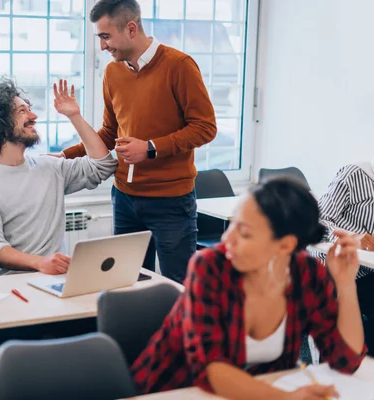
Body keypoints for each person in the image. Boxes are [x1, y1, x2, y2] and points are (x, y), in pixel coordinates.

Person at [132, 178, 367, 399]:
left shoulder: (307, 274)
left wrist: (345, 284)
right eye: (233, 223)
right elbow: (211, 370)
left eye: (244, 233)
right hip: (172, 390)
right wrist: (287, 397)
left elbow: (345, 360)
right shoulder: (210, 268)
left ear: (285, 245)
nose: (226, 238)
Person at [59, 0, 217, 283]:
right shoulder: (113, 72)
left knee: (178, 288)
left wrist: (151, 148)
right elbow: (109, 132)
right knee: (125, 283)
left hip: (171, 202)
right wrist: (66, 157)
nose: (103, 47)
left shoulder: (179, 66)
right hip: (124, 199)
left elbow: (205, 128)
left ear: (131, 29)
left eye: (106, 37)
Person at [0, 77, 117, 277]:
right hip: (9, 287)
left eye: (30, 109)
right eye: (22, 111)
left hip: (55, 281)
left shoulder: (49, 167)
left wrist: (74, 116)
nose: (33, 116)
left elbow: (103, 165)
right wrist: (40, 263)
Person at [317, 161, 374, 354]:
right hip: (338, 266)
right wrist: (352, 238)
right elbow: (318, 219)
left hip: (368, 270)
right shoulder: (354, 174)